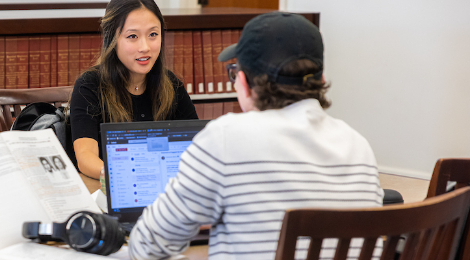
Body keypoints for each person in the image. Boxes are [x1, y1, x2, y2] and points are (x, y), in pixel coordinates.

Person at [128, 12, 383, 259]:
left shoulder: (224, 139)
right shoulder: (359, 146)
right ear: (322, 79)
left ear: (244, 82)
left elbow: (146, 245)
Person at [70, 0, 198, 180]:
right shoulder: (89, 85)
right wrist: (124, 175)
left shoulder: (171, 85)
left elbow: (196, 146)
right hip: (112, 188)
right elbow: (85, 157)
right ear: (112, 39)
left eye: (153, 34)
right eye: (132, 36)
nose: (145, 47)